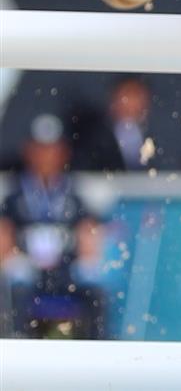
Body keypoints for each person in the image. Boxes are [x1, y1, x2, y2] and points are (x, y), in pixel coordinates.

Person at [0, 115, 106, 338]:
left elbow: (89, 233)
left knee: (95, 294)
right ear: (28, 151)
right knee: (11, 293)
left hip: (66, 272)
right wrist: (12, 260)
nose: (46, 157)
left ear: (63, 153)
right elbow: (4, 234)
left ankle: (98, 356)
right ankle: (15, 353)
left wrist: (87, 262)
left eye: (52, 150)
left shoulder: (74, 195)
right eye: (40, 149)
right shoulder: (14, 197)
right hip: (29, 273)